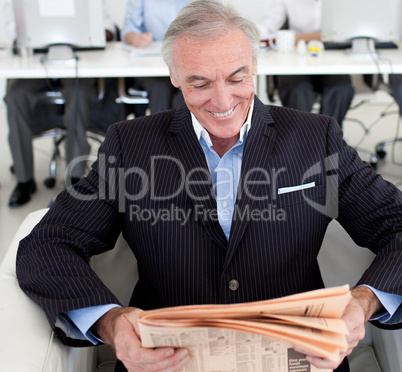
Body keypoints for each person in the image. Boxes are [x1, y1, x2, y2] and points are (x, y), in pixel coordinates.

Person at [16, 1, 402, 372]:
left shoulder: (317, 138)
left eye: (236, 78)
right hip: (168, 362)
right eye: (199, 83)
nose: (222, 101)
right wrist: (111, 322)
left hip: (300, 358)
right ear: (173, 75)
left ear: (254, 66)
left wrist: (363, 302)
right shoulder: (129, 145)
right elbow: (48, 243)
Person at [5, 4, 117, 208]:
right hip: (36, 60)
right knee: (16, 94)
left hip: (78, 60)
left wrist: (96, 34)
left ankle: (75, 180)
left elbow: (109, 29)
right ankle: (24, 180)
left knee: (79, 93)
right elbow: (10, 32)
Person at [256, 0, 355, 128]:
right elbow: (267, 25)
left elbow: (346, 31)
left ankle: (329, 140)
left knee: (341, 89)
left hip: (331, 59)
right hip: (295, 60)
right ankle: (301, 142)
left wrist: (301, 37)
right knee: (297, 90)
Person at [120, 0, 190, 114]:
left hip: (186, 65)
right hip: (151, 64)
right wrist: (135, 38)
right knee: (159, 88)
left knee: (186, 92)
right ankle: (159, 131)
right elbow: (129, 28)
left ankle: (184, 131)